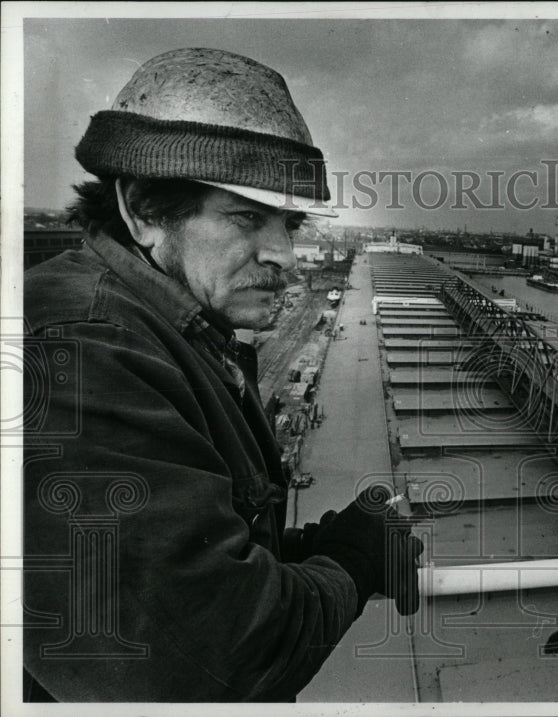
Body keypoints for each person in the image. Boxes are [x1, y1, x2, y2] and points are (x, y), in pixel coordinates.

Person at [22, 47, 423, 702]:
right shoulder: (80, 352)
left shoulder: (158, 333)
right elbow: (215, 652)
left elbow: (171, 569)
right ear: (146, 209)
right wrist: (353, 561)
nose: (285, 257)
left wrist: (312, 548)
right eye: (246, 217)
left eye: (289, 224)